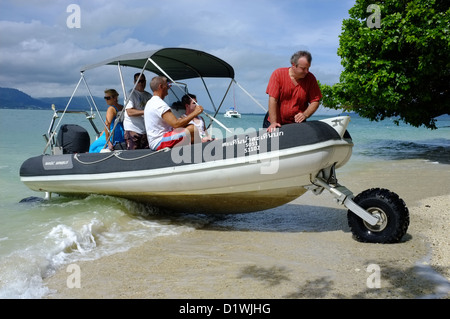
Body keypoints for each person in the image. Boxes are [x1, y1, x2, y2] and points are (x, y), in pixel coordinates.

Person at [264, 50, 322, 132]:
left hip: (296, 124)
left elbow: (315, 100)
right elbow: (273, 99)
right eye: (303, 68)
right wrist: (273, 122)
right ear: (293, 65)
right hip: (274, 123)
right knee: (271, 145)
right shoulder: (278, 74)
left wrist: (305, 114)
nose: (307, 71)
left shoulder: (310, 78)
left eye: (308, 68)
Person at [144, 76, 204, 151]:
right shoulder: (159, 104)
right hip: (159, 141)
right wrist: (195, 113)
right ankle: (200, 153)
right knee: (192, 129)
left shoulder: (151, 102)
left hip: (156, 140)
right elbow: (176, 124)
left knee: (189, 128)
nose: (169, 87)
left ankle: (192, 152)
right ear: (161, 86)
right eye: (167, 85)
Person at [123, 72, 152, 149]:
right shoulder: (130, 94)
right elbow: (129, 112)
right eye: (138, 81)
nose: (141, 83)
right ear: (134, 82)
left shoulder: (149, 95)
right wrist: (146, 111)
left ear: (145, 81)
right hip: (132, 129)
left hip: (145, 131)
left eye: (142, 81)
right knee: (132, 155)